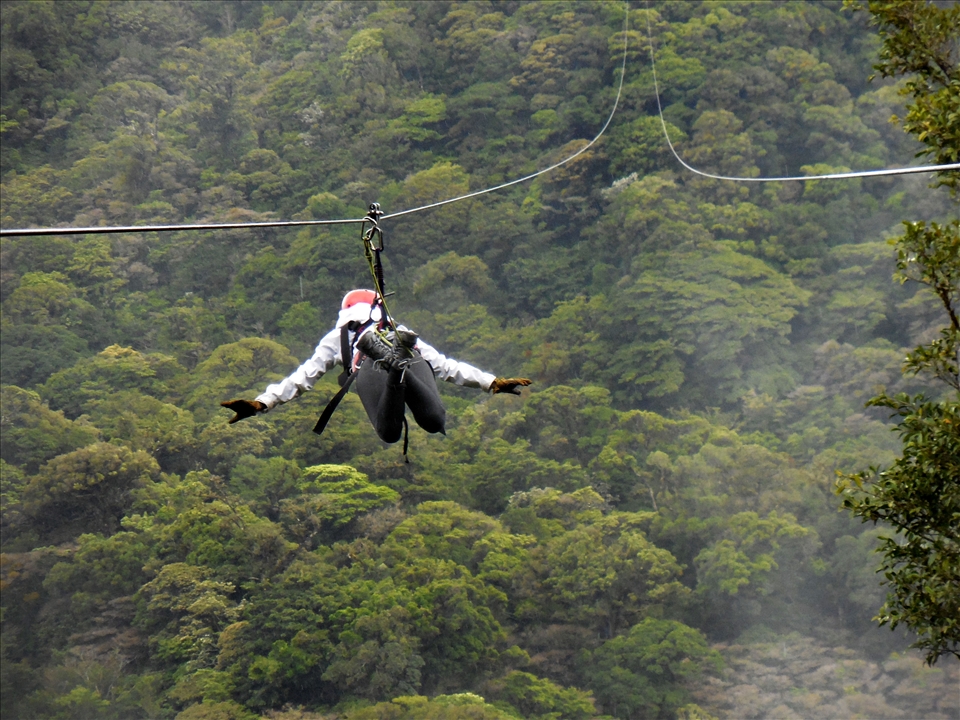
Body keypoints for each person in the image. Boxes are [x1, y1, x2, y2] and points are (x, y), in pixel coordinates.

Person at [221, 289, 531, 442]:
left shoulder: (337, 338)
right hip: (412, 358)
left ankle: (391, 365)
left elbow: (303, 378)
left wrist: (262, 402)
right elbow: (446, 367)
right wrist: (491, 381)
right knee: (435, 420)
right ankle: (397, 363)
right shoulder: (396, 326)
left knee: (389, 432)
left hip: (368, 368)